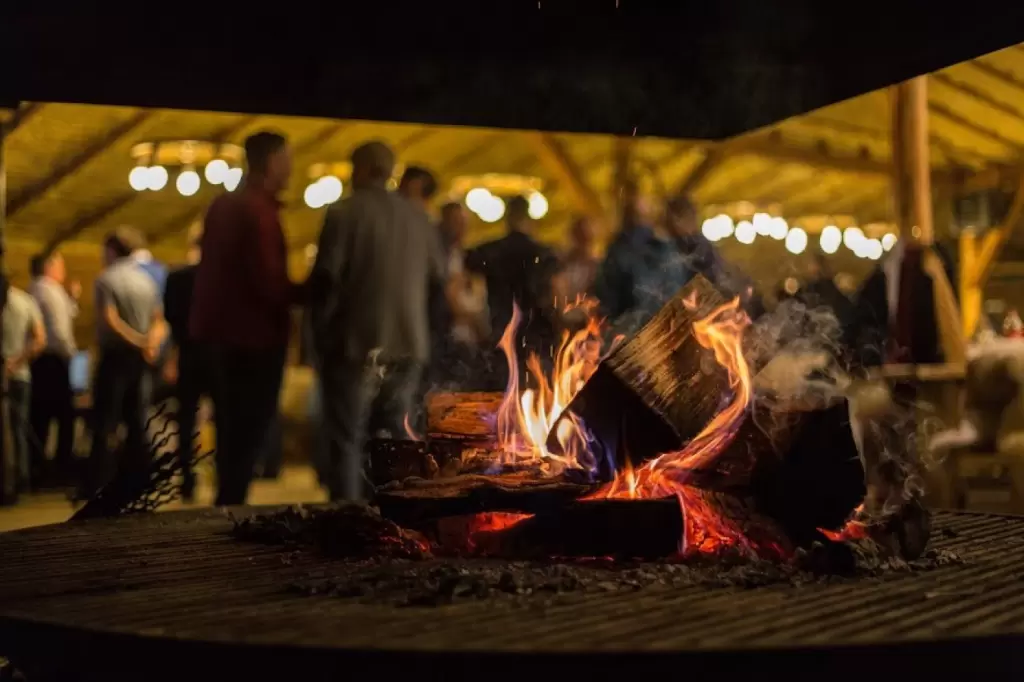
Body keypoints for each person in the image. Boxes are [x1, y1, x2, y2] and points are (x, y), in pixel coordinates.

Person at [309, 140, 445, 501]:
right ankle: (398, 515)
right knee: (396, 438)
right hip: (409, 344)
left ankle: (347, 518)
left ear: (363, 169)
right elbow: (438, 282)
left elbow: (326, 278)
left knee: (348, 438)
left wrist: (319, 332)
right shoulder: (419, 218)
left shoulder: (343, 213)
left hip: (357, 344)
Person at [191, 131, 300, 506]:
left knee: (230, 430)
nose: (291, 168)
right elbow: (267, 282)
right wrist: (313, 290)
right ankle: (231, 510)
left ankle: (227, 503)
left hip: (220, 336)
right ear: (271, 162)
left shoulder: (222, 204)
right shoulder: (256, 211)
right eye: (287, 159)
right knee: (247, 431)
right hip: (255, 339)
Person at [83, 230, 163, 497]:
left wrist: (137, 341)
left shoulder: (106, 279)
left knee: (105, 423)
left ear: (112, 250)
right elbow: (159, 319)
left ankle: (98, 484)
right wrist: (149, 343)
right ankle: (141, 482)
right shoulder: (147, 281)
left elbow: (110, 320)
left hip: (115, 358)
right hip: (140, 361)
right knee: (138, 422)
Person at [465, 194, 561, 381]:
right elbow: (555, 294)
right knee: (537, 395)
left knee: (503, 394)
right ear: (528, 218)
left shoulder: (487, 251)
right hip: (538, 334)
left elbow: (468, 288)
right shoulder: (543, 253)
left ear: (508, 218)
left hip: (501, 330)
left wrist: (478, 325)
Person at [593, 194, 696, 335]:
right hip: (663, 330)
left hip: (635, 332)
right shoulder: (667, 249)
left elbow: (606, 297)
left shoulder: (620, 250)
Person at [28, 250, 78, 486]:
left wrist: (73, 299)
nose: (63, 270)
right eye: (60, 264)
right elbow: (60, 332)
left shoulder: (33, 289)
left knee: (40, 416)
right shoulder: (50, 290)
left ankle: (37, 469)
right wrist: (71, 356)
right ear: (49, 267)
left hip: (39, 363)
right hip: (54, 361)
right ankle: (61, 470)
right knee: (65, 418)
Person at [162, 236, 204, 501]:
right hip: (217, 354)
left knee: (186, 419)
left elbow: (169, 316)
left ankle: (188, 478)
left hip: (188, 354)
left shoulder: (176, 278)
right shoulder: (220, 279)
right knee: (224, 419)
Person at [2, 283, 46, 496]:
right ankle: (22, 480)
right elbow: (40, 339)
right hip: (21, 374)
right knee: (19, 430)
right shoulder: (25, 301)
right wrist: (18, 361)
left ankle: (8, 483)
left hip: (7, 374)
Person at [560, 216, 599, 302]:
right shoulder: (563, 264)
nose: (582, 243)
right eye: (580, 237)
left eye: (585, 238)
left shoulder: (596, 266)